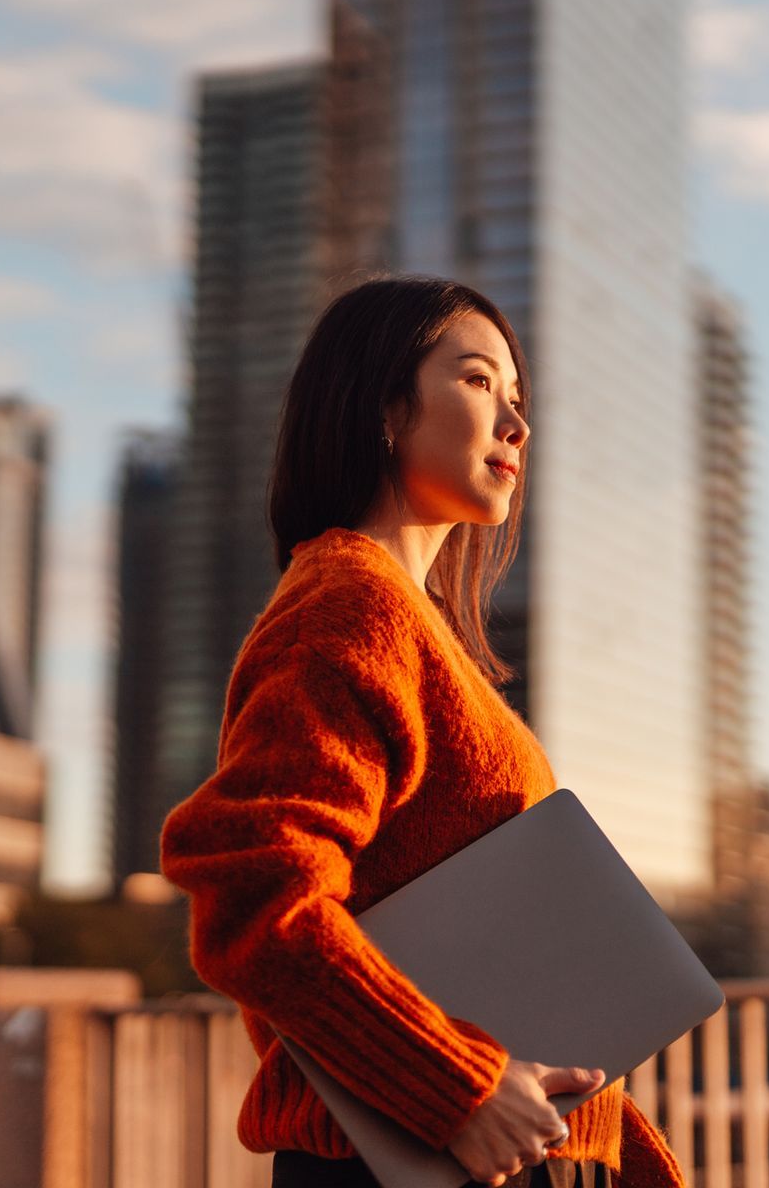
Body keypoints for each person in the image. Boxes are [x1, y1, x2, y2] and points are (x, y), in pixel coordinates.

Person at [159, 276, 684, 1188]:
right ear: (385, 407)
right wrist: (457, 1089)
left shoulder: (415, 626)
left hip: (497, 1144)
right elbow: (254, 892)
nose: (516, 425)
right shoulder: (350, 605)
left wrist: (611, 1147)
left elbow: (507, 971)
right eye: (479, 382)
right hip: (410, 1153)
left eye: (518, 400)